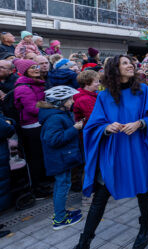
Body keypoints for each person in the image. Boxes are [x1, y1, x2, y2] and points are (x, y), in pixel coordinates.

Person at [74, 55, 148, 249]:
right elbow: (93, 125)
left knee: (143, 190)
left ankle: (145, 228)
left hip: (138, 150)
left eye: (130, 63)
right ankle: (84, 242)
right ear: (114, 69)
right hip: (114, 151)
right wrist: (106, 128)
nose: (130, 65)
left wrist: (140, 123)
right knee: (100, 197)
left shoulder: (143, 90)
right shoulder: (103, 96)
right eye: (125, 63)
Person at [38, 86, 84, 230]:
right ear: (60, 102)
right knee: (62, 186)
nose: (72, 101)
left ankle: (61, 213)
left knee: (62, 185)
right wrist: (74, 129)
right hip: (59, 159)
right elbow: (53, 140)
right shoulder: (55, 118)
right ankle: (59, 219)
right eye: (69, 99)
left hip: (61, 158)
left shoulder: (57, 113)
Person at [13, 59, 49, 198]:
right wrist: (51, 107)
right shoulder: (23, 87)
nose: (37, 68)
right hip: (31, 127)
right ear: (25, 71)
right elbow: (33, 108)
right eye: (32, 67)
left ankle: (42, 183)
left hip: (39, 123)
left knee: (40, 156)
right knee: (36, 158)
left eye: (37, 66)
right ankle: (37, 188)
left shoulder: (36, 83)